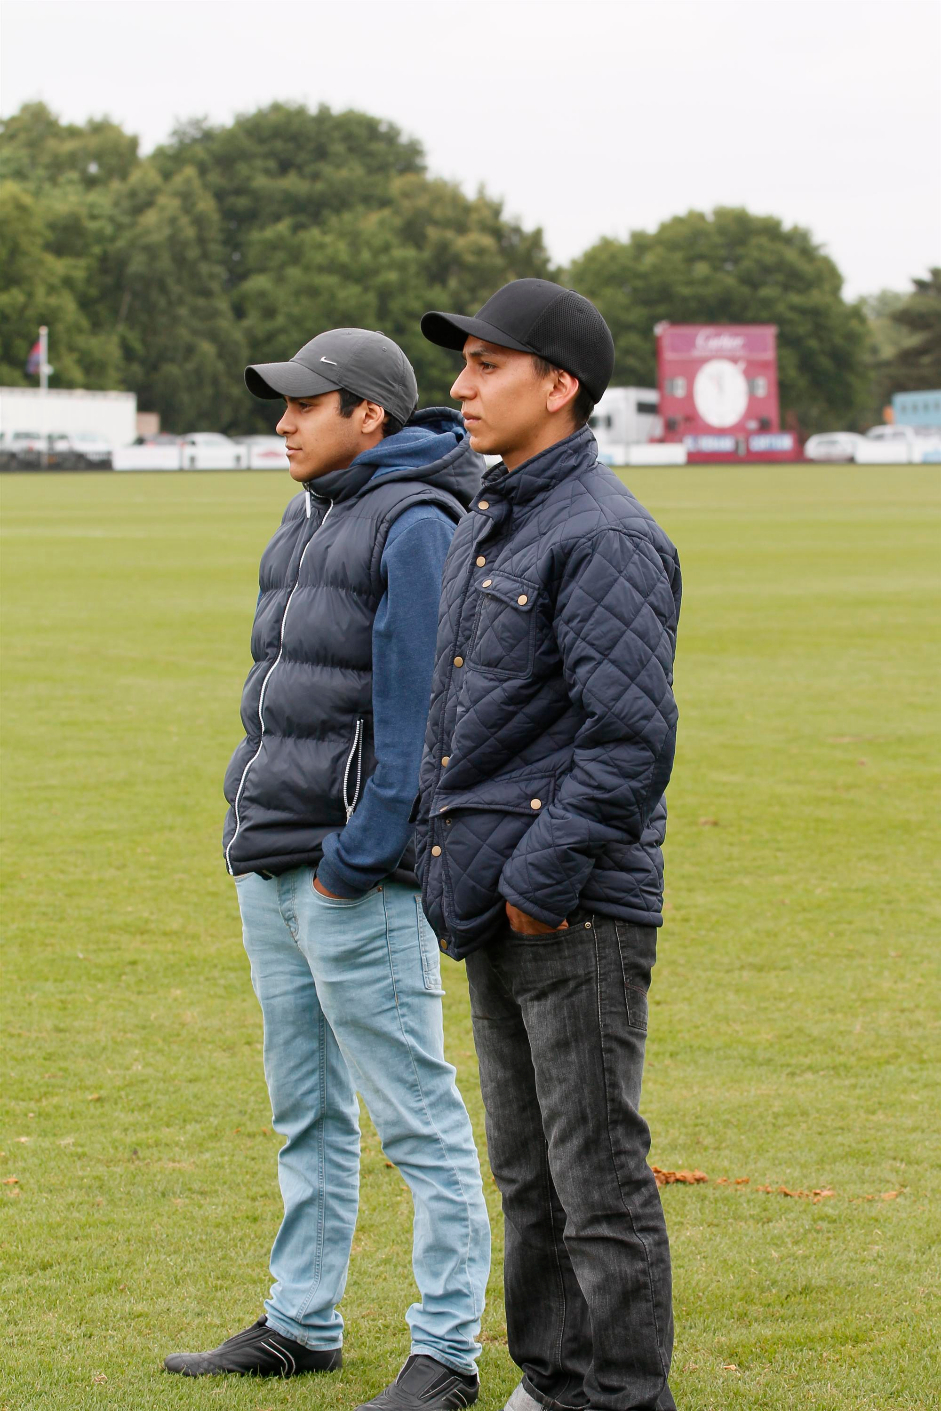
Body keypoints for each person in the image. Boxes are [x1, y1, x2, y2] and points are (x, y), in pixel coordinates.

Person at [164, 328, 490, 1409]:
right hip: (272, 862)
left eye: (307, 403)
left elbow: (413, 723)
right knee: (303, 1108)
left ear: (371, 415)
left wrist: (354, 863)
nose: (284, 421)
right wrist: (257, 841)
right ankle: (301, 1321)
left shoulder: (413, 521)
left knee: (417, 1119)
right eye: (284, 404)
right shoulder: (312, 510)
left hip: (351, 878)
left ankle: (444, 1350)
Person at [417, 281, 682, 1411]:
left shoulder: (605, 534)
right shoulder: (493, 517)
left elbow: (629, 742)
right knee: (527, 1176)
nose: (460, 386)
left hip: (568, 907)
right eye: (463, 364)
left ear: (556, 385)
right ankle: (554, 1382)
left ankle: (622, 1398)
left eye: (486, 365)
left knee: (595, 1178)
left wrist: (535, 878)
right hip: (499, 903)